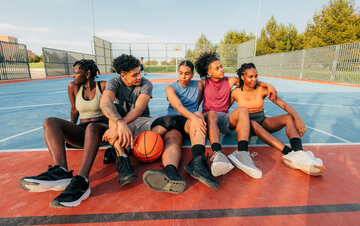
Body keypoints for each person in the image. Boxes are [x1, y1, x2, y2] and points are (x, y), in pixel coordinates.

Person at [19, 59, 109, 208]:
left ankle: (82, 181)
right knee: (50, 121)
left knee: (92, 127)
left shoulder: (104, 86)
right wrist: (69, 131)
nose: (72, 76)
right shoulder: (73, 87)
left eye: (75, 73)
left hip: (103, 130)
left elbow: (115, 108)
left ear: (87, 74)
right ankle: (61, 171)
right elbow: (74, 110)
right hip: (84, 132)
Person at [230, 63, 325, 176]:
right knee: (253, 123)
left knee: (289, 117)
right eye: (250, 76)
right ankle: (288, 153)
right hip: (248, 126)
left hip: (263, 122)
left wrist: (298, 118)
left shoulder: (262, 90)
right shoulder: (235, 93)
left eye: (256, 76)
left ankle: (298, 152)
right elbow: (225, 110)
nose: (254, 79)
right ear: (242, 77)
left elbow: (284, 105)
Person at [194, 51, 278, 179]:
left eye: (221, 66)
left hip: (224, 118)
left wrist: (268, 85)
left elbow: (249, 80)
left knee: (243, 110)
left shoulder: (231, 81)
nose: (221, 69)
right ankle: (218, 155)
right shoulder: (203, 83)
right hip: (209, 118)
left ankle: (242, 152)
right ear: (209, 72)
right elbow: (197, 103)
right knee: (211, 114)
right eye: (217, 68)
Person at [142, 60, 218, 193]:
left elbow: (200, 100)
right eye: (181, 73)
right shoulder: (170, 88)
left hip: (189, 121)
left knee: (197, 114)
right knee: (172, 140)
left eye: (187, 73)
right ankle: (170, 171)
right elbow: (178, 106)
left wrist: (194, 116)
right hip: (174, 120)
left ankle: (197, 162)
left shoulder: (198, 85)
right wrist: (194, 116)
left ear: (192, 74)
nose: (183, 77)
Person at [99, 54, 173, 186]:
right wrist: (120, 123)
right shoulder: (114, 82)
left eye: (139, 73)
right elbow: (104, 103)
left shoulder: (146, 84)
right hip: (120, 121)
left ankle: (126, 144)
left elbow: (138, 109)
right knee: (113, 110)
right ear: (123, 75)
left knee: (170, 121)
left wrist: (119, 125)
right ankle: (123, 158)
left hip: (141, 120)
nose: (139, 77)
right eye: (134, 75)